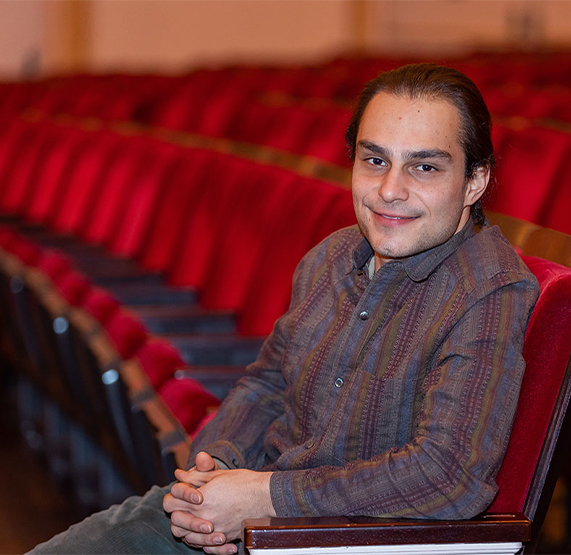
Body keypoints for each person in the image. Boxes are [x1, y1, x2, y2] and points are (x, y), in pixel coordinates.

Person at [30, 63, 539, 555]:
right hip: (252, 522)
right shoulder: (331, 257)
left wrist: (263, 498)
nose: (390, 190)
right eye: (375, 160)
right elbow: (268, 384)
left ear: (474, 181)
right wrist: (215, 471)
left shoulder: (488, 291)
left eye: (424, 166)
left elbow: (449, 475)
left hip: (333, 542)